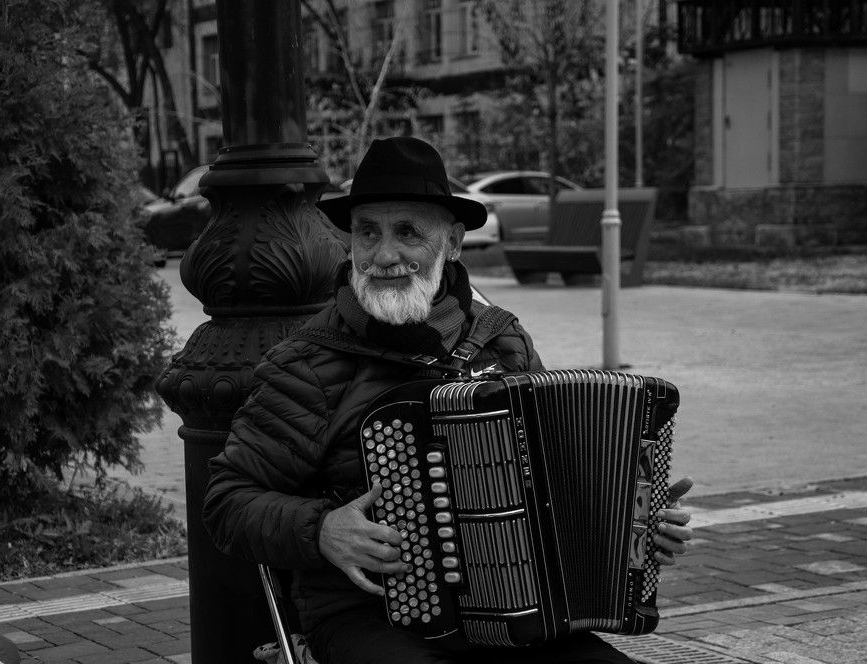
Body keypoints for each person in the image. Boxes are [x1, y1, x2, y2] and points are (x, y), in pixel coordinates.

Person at [203, 137, 694, 664]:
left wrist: (634, 519)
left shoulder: (502, 341)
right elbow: (227, 500)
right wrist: (322, 529)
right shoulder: (305, 363)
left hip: (522, 608)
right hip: (370, 613)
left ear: (453, 243)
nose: (383, 254)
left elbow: (565, 475)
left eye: (407, 232)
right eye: (367, 232)